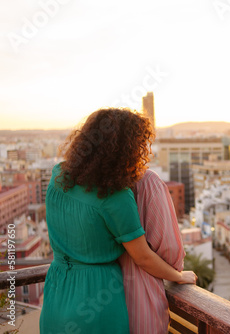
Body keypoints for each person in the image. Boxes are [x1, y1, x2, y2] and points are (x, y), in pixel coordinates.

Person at [40, 108, 196, 334]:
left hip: (58, 287)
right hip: (96, 296)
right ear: (128, 149)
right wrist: (179, 276)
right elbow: (143, 256)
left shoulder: (58, 176)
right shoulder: (115, 196)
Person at [119, 169, 186, 333]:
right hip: (142, 298)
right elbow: (170, 251)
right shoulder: (148, 181)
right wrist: (178, 274)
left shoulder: (87, 183)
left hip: (101, 300)